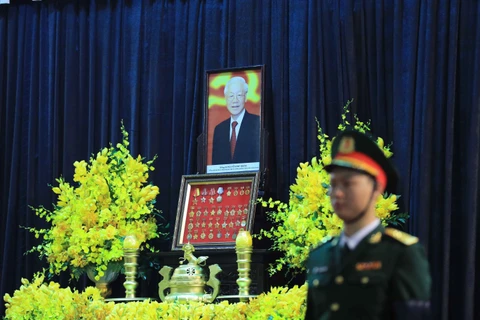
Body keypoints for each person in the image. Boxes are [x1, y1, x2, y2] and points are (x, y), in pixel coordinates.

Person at [305, 130, 431, 319]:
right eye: (333, 184)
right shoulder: (319, 256)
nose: (337, 193)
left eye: (348, 184)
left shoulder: (401, 254)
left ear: (377, 187)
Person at [211, 76, 260, 165]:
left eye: (239, 95)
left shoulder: (257, 123)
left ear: (245, 97)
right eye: (231, 96)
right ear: (225, 99)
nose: (235, 100)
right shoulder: (219, 129)